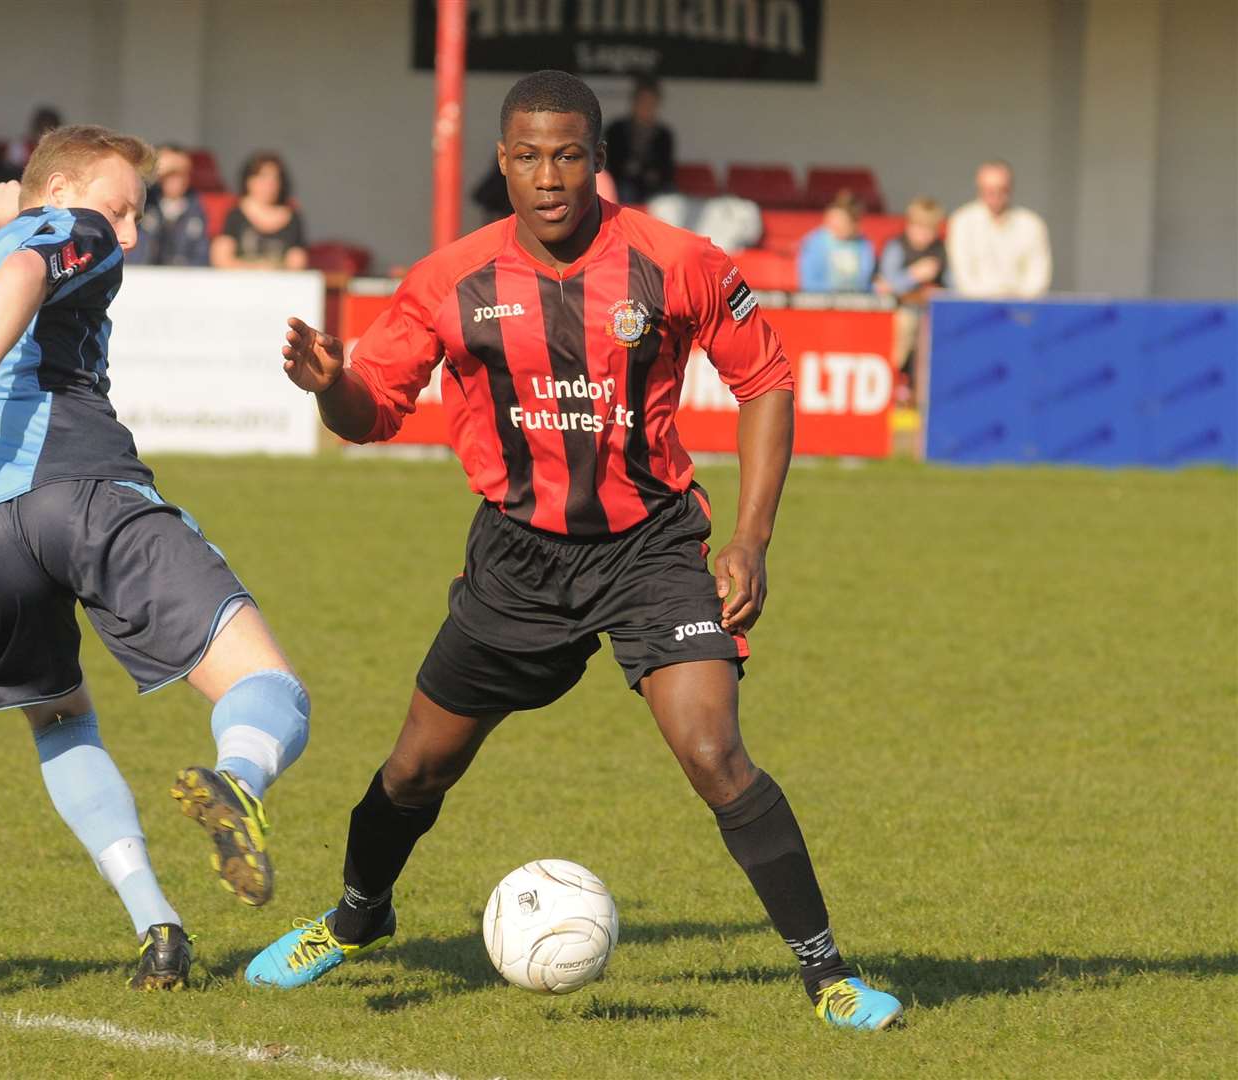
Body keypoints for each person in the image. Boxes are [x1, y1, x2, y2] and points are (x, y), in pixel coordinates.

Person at [245, 70, 903, 1032]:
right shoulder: (449, 281)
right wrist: (329, 384)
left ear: (597, 160)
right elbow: (370, 412)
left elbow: (764, 379)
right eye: (525, 155)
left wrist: (752, 540)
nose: (547, 176)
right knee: (414, 773)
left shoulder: (676, 262)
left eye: (566, 154)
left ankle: (828, 976)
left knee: (715, 752)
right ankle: (355, 916)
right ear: (501, 163)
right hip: (515, 560)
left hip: (651, 549)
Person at [0, 125, 311, 991]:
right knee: (268, 688)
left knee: (61, 720)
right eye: (120, 207)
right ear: (61, 192)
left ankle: (157, 924)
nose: (129, 233)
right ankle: (239, 780)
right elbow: (29, 272)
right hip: (76, 485)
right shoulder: (65, 234)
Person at [946, 159, 1051, 298]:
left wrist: (1014, 298)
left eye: (1001, 189)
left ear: (1010, 188)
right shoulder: (962, 221)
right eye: (988, 190)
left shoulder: (1031, 224)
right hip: (975, 309)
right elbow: (963, 278)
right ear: (979, 188)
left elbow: (1038, 277)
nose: (995, 195)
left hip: (1022, 311)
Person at [875, 197, 948, 395]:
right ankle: (893, 384)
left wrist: (938, 292)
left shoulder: (941, 250)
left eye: (929, 229)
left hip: (930, 313)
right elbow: (886, 287)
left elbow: (951, 286)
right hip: (900, 311)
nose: (924, 235)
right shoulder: (897, 247)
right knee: (905, 325)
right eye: (919, 228)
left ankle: (923, 392)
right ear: (909, 225)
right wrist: (914, 275)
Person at [210, 152, 308, 270]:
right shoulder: (234, 214)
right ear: (249, 181)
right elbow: (221, 258)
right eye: (263, 177)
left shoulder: (292, 217)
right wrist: (255, 269)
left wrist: (273, 270)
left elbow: (297, 261)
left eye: (275, 178)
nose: (269, 184)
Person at [133, 146, 211, 267]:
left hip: (183, 278)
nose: (177, 179)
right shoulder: (144, 202)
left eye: (183, 173)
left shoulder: (196, 206)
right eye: (171, 173)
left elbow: (201, 254)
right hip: (143, 275)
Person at [603, 75, 675, 204]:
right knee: (625, 192)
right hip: (623, 183)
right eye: (643, 101)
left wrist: (651, 174)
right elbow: (611, 163)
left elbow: (666, 169)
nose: (646, 107)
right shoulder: (616, 129)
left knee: (669, 198)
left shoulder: (664, 134)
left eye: (651, 102)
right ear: (634, 102)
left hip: (655, 186)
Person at [798, 191, 875, 292]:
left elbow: (866, 282)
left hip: (856, 302)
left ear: (854, 224)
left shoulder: (863, 245)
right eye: (833, 221)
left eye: (842, 222)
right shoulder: (814, 243)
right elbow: (809, 283)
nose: (835, 226)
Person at [6, 106, 63, 172]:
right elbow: (12, 170)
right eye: (42, 128)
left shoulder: (61, 151)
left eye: (50, 129)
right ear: (35, 128)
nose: (45, 133)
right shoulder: (19, 147)